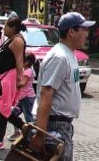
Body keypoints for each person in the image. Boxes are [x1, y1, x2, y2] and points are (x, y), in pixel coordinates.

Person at [28, 12, 94, 161]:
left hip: (63, 125)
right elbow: (46, 94)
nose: (87, 33)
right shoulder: (59, 57)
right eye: (83, 29)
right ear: (71, 32)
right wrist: (40, 134)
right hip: (54, 125)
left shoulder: (69, 54)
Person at [0, 16, 28, 151]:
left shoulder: (18, 40)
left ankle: (23, 130)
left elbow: (20, 61)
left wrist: (20, 79)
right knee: (1, 108)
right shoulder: (11, 39)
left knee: (2, 108)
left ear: (13, 27)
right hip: (3, 78)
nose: (4, 28)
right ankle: (21, 131)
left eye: (6, 26)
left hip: (9, 78)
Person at [16, 53, 37, 130]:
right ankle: (17, 132)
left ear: (27, 62)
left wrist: (14, 84)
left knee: (28, 117)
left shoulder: (28, 71)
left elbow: (23, 83)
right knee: (13, 115)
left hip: (27, 98)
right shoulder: (25, 70)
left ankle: (32, 134)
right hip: (22, 97)